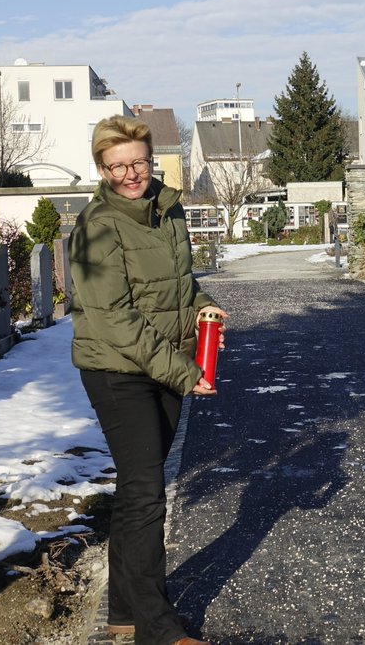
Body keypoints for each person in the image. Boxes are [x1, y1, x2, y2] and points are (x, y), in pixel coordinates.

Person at [70, 115, 225, 644]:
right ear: (101, 168)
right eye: (117, 166)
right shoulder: (96, 227)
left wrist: (203, 306)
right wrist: (184, 372)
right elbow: (114, 318)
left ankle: (123, 612)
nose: (130, 174)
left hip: (163, 363)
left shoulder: (168, 207)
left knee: (138, 494)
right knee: (147, 492)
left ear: (151, 157)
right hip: (117, 370)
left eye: (137, 161)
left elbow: (181, 282)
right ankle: (157, 630)